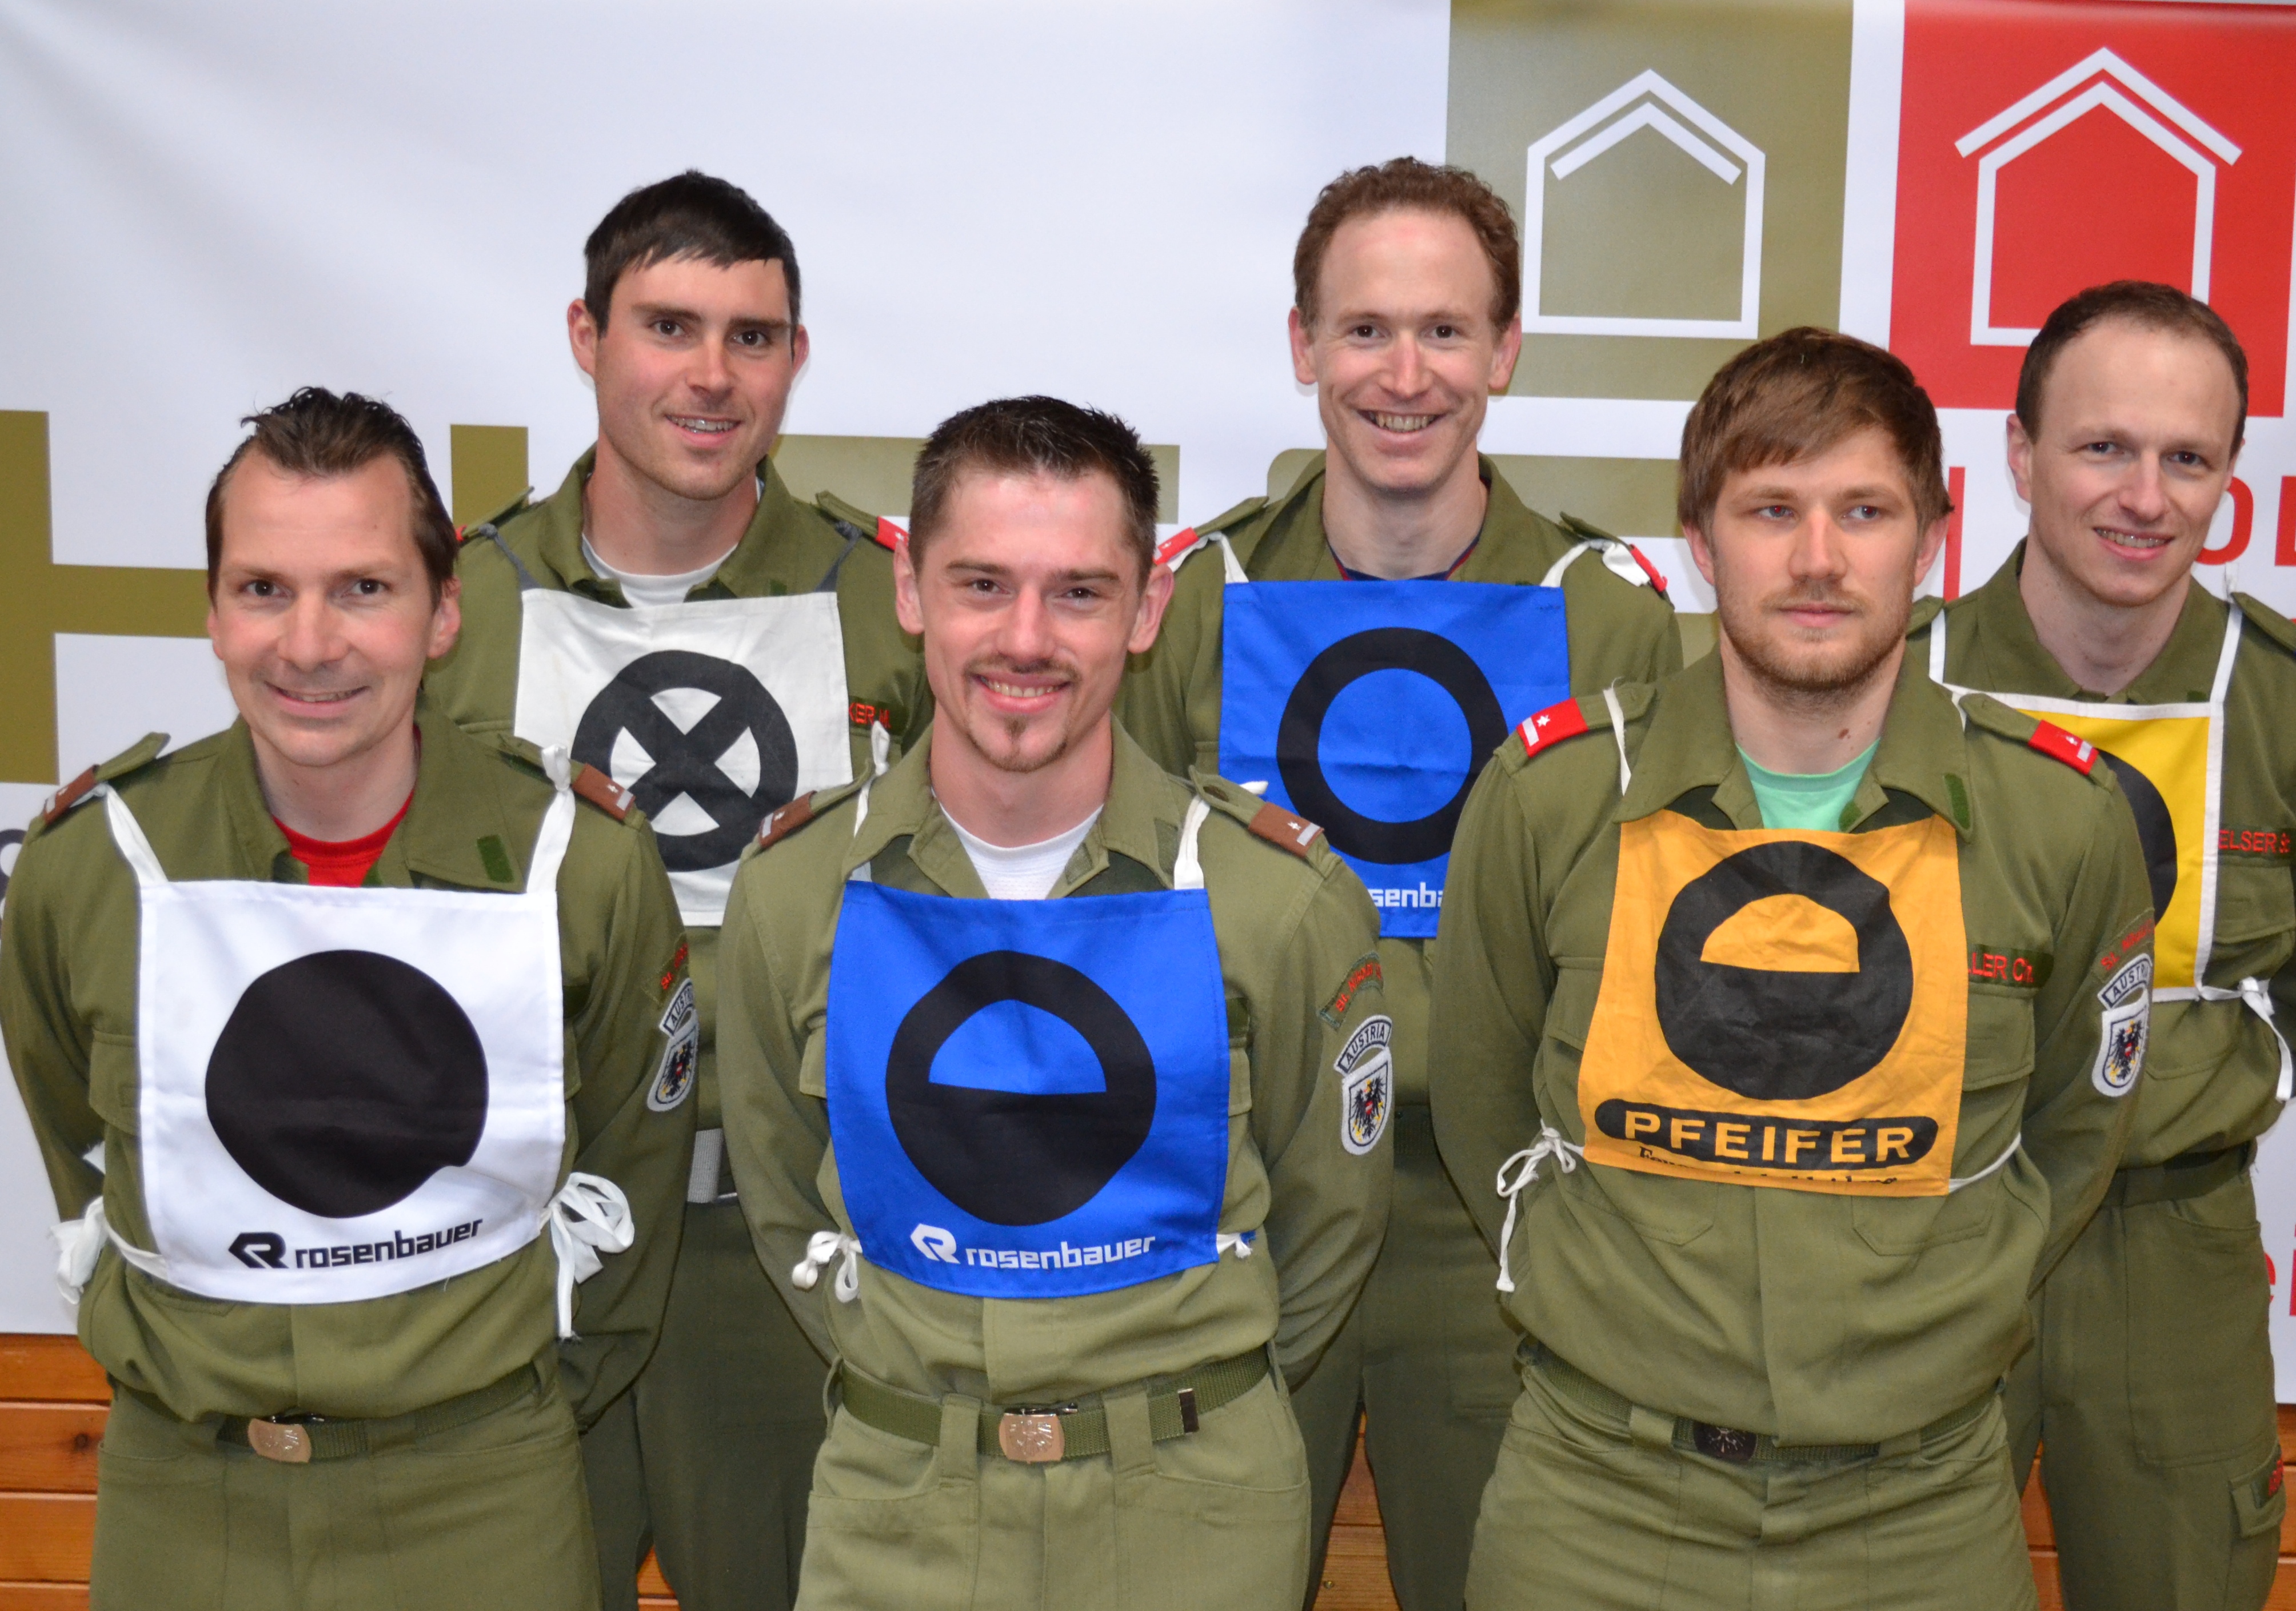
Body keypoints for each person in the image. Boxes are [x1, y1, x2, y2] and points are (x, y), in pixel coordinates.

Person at [1431, 328, 2158, 1610]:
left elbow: (2069, 1135)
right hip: (1595, 1503)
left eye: (1863, 511)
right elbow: (1483, 1102)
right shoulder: (1552, 797)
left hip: (1921, 1516)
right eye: (1771, 510)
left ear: (1928, 540)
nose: (1818, 559)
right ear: (1700, 544)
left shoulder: (2060, 818)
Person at [1, 388, 694, 1610]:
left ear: (443, 612)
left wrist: (495, 1402)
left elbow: (629, 1186)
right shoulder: (90, 869)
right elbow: (85, 1158)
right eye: (264, 588)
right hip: (183, 1496)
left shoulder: (578, 865)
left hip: (482, 1497)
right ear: (213, 611)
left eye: (364, 588)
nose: (309, 643)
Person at [1116, 156, 1679, 1610]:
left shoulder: (1602, 611)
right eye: (1364, 329)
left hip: (1487, 1213)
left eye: (1444, 330)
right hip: (1241, 1200)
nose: (1404, 373)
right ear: (1301, 345)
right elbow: (1113, 909)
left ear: (1504, 350)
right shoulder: (1195, 595)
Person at [717, 395, 1391, 1610]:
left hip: (1196, 1515)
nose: (1024, 639)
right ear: (909, 591)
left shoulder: (1274, 898)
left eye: (1079, 592)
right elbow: (782, 1196)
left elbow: (1327, 1219)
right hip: (897, 1506)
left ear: (1147, 609)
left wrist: (1171, 1406)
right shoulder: (795, 890)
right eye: (981, 584)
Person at [425, 170, 929, 1611]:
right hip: (520, 1249)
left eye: (751, 336)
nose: (712, 375)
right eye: (668, 326)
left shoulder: (890, 603)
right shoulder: (455, 608)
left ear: (795, 358)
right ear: (585, 336)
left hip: (781, 1258)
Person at [1924, 280, 2296, 1610]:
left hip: (2171, 1243)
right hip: (1925, 1234)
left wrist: (2186, 1086)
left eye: (2185, 458)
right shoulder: (1891, 684)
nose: (2144, 497)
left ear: (2226, 476)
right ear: (2018, 453)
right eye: (2102, 447)